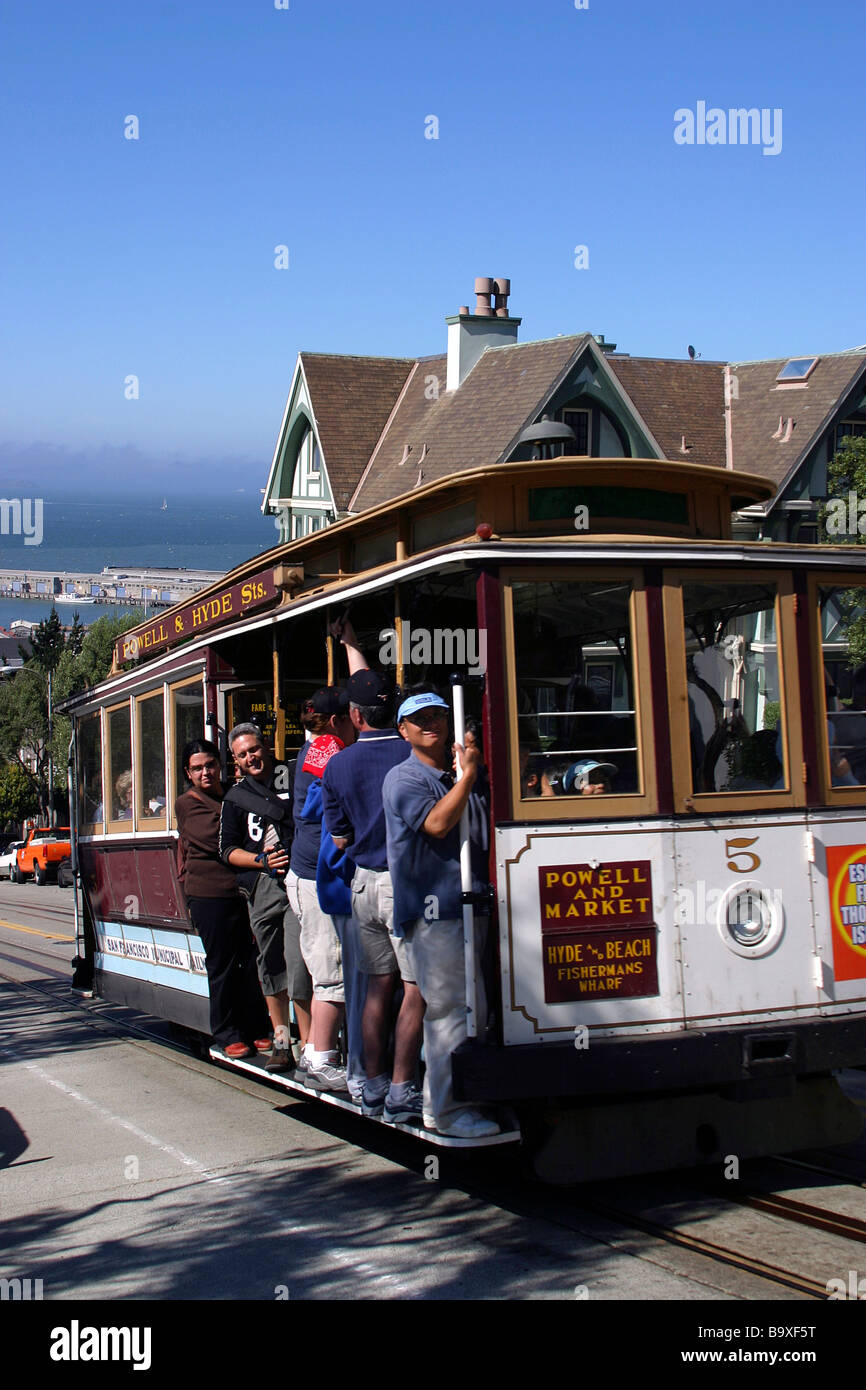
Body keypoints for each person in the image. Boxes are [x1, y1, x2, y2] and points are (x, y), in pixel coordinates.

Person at [383, 691, 500, 1139]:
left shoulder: (456, 773)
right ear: (404, 730)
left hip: (470, 903)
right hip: (436, 910)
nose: (430, 724)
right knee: (449, 1008)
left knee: (474, 1007)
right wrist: (467, 779)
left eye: (438, 716)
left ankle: (466, 1097)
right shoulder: (403, 778)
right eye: (420, 719)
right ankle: (445, 1111)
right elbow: (435, 824)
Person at [321, 669, 425, 1123]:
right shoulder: (416, 753)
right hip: (408, 884)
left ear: (355, 716)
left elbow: (339, 839)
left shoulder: (337, 765)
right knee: (417, 988)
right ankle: (404, 1088)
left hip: (364, 883)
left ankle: (372, 1084)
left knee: (377, 988)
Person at [219, 723, 312, 1074]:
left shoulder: (293, 776)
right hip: (262, 887)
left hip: (299, 880)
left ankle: (310, 1045)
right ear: (235, 760)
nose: (251, 757)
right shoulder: (235, 798)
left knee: (299, 960)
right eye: (242, 754)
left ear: (266, 747)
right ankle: (281, 1039)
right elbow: (226, 849)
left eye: (254, 749)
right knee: (271, 963)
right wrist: (260, 860)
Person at [175, 739, 270, 1059]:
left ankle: (257, 1027)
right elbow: (217, 838)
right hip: (208, 895)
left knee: (251, 962)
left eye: (210, 765)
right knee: (223, 964)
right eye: (198, 768)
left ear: (220, 765)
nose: (206, 773)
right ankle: (227, 1032)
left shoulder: (233, 793)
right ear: (188, 773)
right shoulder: (188, 803)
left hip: (241, 891)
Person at [286, 687, 356, 1092]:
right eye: (349, 717)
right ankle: (321, 1059)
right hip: (315, 877)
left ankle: (316, 1052)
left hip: (309, 874)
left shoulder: (315, 747)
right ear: (335, 721)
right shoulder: (326, 751)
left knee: (327, 969)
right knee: (330, 972)